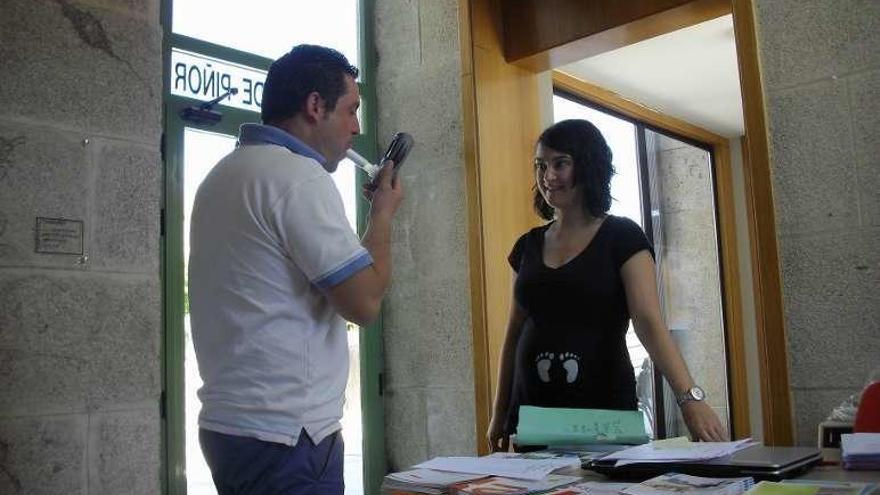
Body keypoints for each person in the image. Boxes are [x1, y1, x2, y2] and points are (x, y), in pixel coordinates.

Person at [188, 44, 403, 494]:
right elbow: (364, 302)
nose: (356, 127)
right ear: (315, 106)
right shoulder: (299, 178)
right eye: (351, 110)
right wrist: (382, 214)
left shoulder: (222, 176)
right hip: (289, 437)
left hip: (232, 429)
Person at [486, 119, 727, 452]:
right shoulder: (526, 246)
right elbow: (513, 334)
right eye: (541, 166)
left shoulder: (622, 236)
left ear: (587, 165)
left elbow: (649, 323)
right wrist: (499, 413)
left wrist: (689, 398)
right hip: (532, 416)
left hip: (603, 413)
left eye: (560, 164)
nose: (548, 176)